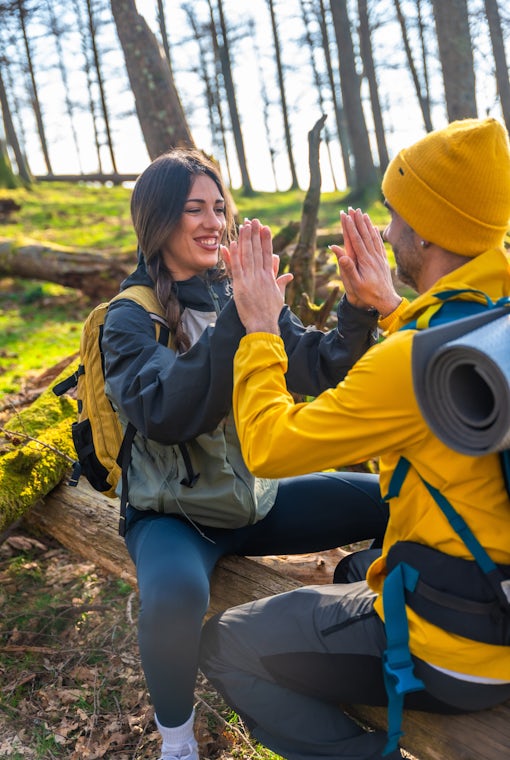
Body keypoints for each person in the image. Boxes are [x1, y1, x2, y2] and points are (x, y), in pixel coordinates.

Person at [199, 117, 510, 760]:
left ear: (426, 229)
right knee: (351, 568)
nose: (388, 230)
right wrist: (396, 308)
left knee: (226, 645)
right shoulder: (489, 319)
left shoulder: (406, 365)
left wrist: (260, 327)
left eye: (396, 214)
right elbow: (442, 377)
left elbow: (269, 447)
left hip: (462, 652)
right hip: (496, 602)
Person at [101, 148, 398, 760]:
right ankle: (176, 742)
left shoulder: (236, 291)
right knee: (176, 595)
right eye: (193, 210)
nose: (213, 222)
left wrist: (360, 307)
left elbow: (316, 367)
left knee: (392, 498)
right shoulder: (129, 318)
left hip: (255, 499)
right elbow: (164, 413)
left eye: (219, 207)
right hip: (174, 519)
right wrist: (243, 314)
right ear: (158, 221)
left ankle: (366, 588)